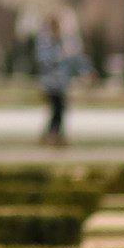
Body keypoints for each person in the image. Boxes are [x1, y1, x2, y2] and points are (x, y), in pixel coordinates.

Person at [35, 10, 76, 147]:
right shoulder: (45, 41)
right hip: (50, 82)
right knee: (57, 109)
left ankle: (55, 135)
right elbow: (43, 59)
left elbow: (69, 59)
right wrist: (58, 57)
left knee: (60, 109)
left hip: (61, 82)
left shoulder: (61, 40)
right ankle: (52, 135)